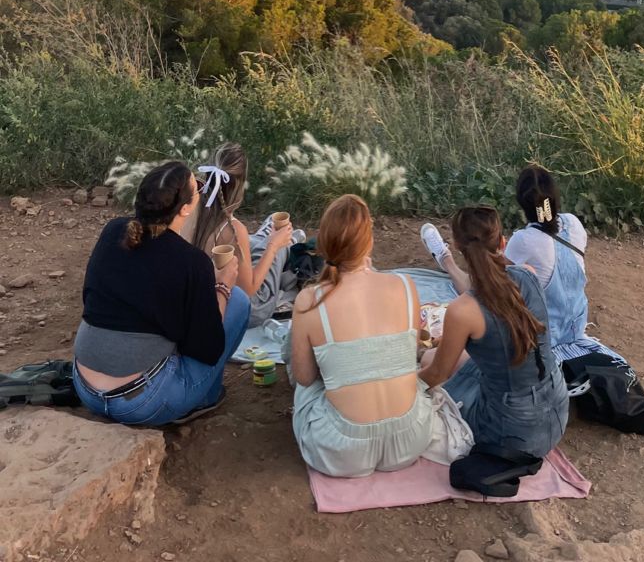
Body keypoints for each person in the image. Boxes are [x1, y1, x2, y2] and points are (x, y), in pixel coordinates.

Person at [289, 194, 473, 478]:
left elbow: (304, 377)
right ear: (369, 242)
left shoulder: (308, 300)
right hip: (410, 437)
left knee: (299, 369)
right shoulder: (404, 284)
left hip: (341, 450)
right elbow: (409, 352)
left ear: (324, 244)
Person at [73, 161, 250, 426]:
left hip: (85, 389)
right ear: (186, 207)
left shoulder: (112, 232)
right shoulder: (192, 262)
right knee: (238, 302)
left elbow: (91, 299)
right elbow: (208, 348)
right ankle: (205, 398)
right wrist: (223, 285)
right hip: (141, 403)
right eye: (198, 188)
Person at [418, 205, 569, 458]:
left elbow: (436, 374)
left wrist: (398, 389)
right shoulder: (528, 275)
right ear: (502, 241)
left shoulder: (461, 311)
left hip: (509, 432)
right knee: (437, 358)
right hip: (556, 412)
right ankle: (447, 264)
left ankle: (447, 263)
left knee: (429, 361)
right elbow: (493, 286)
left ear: (457, 244)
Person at [503, 165, 626, 364]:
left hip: (546, 336)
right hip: (576, 327)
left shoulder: (523, 240)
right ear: (554, 197)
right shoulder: (573, 222)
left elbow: (501, 278)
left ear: (522, 203)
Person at [184, 142, 303, 327]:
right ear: (240, 183)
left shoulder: (190, 211)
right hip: (242, 308)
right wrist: (273, 247)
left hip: (201, 297)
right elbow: (249, 290)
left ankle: (274, 238)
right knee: (279, 246)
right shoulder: (233, 229)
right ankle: (289, 241)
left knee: (265, 228)